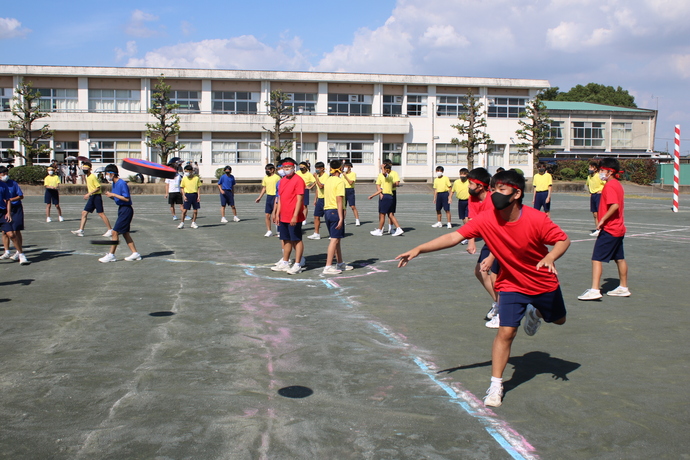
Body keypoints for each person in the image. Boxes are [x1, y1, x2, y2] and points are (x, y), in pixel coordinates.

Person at [396, 169, 570, 407]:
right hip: (511, 284)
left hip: (543, 283)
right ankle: (496, 385)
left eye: (502, 190)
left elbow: (563, 240)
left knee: (559, 320)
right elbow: (454, 237)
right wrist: (418, 249)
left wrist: (551, 257)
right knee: (506, 332)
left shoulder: (536, 219)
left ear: (517, 193)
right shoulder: (487, 219)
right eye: (493, 189)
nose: (495, 194)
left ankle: (536, 312)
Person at [578, 158, 630, 300]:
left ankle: (595, 290)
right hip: (619, 228)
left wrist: (602, 219)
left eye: (602, 170)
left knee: (596, 258)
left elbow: (614, 205)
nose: (600, 172)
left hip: (611, 229)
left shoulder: (610, 186)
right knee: (619, 258)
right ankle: (623, 287)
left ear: (610, 172)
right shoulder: (617, 185)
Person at [466, 168, 501, 327]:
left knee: (495, 276)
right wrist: (471, 241)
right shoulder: (472, 199)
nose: (468, 186)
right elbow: (473, 221)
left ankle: (504, 313)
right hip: (490, 240)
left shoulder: (494, 200)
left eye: (471, 183)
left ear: (480, 186)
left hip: (502, 240)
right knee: (479, 270)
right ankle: (499, 304)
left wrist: (492, 256)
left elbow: (501, 230)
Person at [98, 164, 141, 263]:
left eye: (107, 173)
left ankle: (111, 255)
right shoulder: (114, 183)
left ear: (112, 174)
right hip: (121, 209)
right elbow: (118, 198)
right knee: (125, 233)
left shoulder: (122, 183)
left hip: (126, 210)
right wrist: (112, 196)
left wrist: (113, 194)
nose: (106, 176)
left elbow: (126, 198)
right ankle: (135, 253)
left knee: (114, 232)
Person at [271, 158, 306, 275]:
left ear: (293, 168)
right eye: (284, 168)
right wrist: (277, 213)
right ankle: (285, 261)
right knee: (285, 239)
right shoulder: (282, 181)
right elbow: (280, 199)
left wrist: (295, 215)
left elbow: (300, 199)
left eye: (289, 168)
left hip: (293, 216)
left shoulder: (299, 180)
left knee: (296, 239)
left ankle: (297, 264)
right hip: (283, 216)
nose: (286, 170)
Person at [322, 160, 353, 274]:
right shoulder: (340, 182)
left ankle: (340, 263)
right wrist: (341, 217)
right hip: (335, 211)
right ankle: (328, 266)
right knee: (334, 240)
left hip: (327, 211)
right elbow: (339, 200)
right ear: (340, 168)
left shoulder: (328, 180)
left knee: (337, 239)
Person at [71, 162, 112, 237]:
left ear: (90, 169)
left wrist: (88, 194)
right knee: (84, 213)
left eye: (86, 169)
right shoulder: (87, 177)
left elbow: (98, 187)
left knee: (101, 213)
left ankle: (110, 230)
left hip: (96, 197)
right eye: (84, 168)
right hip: (92, 197)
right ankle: (81, 230)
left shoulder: (93, 177)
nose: (85, 170)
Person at [0, 166, 30, 264]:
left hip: (11, 210)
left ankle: (20, 253)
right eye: (3, 174)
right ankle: (7, 251)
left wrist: (8, 212)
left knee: (14, 232)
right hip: (5, 210)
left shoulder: (10, 184)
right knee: (4, 232)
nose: (5, 176)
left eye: (6, 174)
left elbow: (13, 198)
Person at [369, 164, 403, 236]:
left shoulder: (387, 176)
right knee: (390, 214)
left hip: (386, 197)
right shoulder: (388, 178)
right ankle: (398, 228)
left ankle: (379, 230)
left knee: (382, 214)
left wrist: (382, 167)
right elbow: (380, 189)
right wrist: (373, 195)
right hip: (389, 196)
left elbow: (385, 174)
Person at [255, 163, 279, 237]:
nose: (267, 171)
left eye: (268, 170)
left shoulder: (277, 177)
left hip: (276, 197)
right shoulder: (265, 178)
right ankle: (269, 231)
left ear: (272, 170)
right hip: (269, 197)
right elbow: (264, 188)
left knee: (276, 214)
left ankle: (279, 231)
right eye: (266, 170)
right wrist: (259, 197)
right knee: (267, 215)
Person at [308, 161, 327, 240]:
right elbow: (317, 189)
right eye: (316, 168)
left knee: (328, 217)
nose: (316, 170)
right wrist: (315, 199)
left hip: (326, 199)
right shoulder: (318, 176)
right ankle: (316, 233)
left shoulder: (326, 176)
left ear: (322, 168)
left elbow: (321, 186)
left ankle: (333, 234)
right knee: (316, 216)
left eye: (318, 168)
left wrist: (316, 178)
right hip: (320, 199)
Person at [179, 164, 201, 229]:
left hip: (194, 195)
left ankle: (193, 222)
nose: (186, 173)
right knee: (184, 210)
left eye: (187, 171)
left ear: (191, 171)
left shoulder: (196, 178)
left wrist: (198, 196)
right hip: (187, 195)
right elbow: (182, 187)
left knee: (195, 210)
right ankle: (182, 223)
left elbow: (198, 187)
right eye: (185, 171)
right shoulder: (184, 179)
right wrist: (184, 195)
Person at [585, 161, 604, 237]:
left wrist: (601, 191)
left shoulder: (599, 176)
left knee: (600, 213)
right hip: (593, 195)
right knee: (594, 213)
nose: (590, 169)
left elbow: (606, 184)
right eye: (589, 167)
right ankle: (598, 229)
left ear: (595, 169)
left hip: (599, 195)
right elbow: (587, 184)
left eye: (591, 167)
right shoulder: (589, 177)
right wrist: (590, 191)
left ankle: (601, 228)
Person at [382, 159, 401, 234]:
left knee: (391, 212)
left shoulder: (394, 173)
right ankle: (381, 228)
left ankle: (391, 228)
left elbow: (397, 183)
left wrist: (389, 185)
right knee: (382, 212)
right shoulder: (382, 174)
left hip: (391, 192)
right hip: (383, 192)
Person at [341, 161, 361, 226]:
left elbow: (350, 182)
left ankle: (357, 220)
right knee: (343, 207)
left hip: (350, 190)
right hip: (343, 190)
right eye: (344, 166)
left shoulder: (353, 174)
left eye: (346, 166)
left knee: (352, 206)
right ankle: (343, 220)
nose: (345, 168)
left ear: (350, 167)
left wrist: (345, 176)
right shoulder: (342, 175)